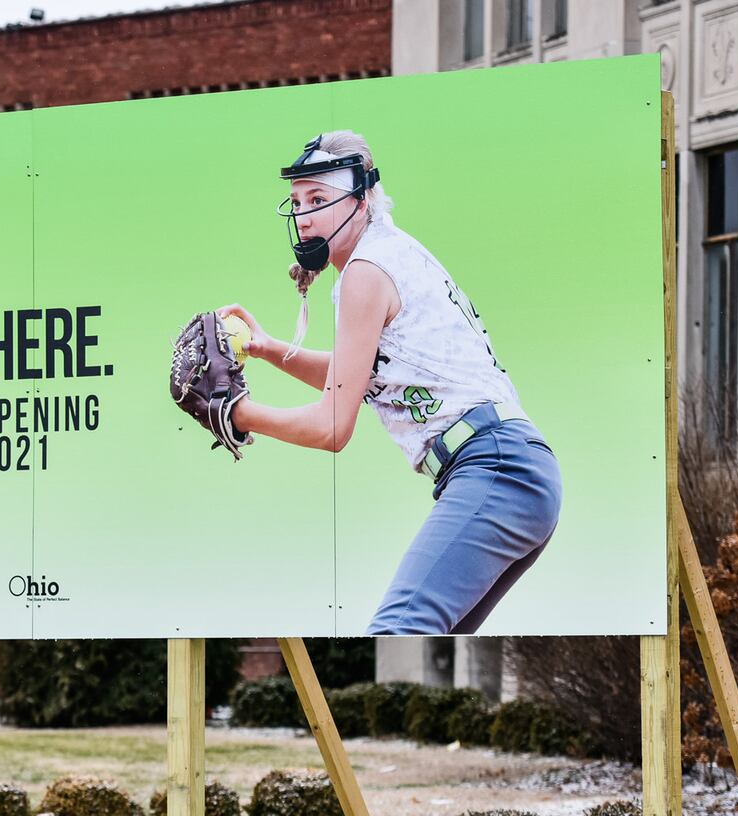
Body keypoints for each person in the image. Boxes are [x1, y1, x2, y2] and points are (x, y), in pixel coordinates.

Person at [218, 131, 562, 635]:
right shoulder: (388, 252)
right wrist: (270, 348)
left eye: (318, 199)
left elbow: (332, 426)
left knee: (398, 628)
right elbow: (352, 378)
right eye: (296, 202)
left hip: (495, 467)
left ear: (359, 200)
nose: (304, 215)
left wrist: (236, 413)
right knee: (430, 640)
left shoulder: (365, 270)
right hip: (514, 467)